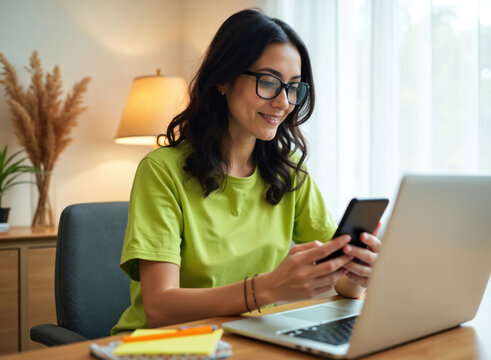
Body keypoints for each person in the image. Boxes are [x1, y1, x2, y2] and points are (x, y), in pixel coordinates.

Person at [112, 9, 381, 335]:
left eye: (293, 87)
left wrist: (361, 272)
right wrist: (268, 289)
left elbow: (342, 283)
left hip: (252, 339)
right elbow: (159, 309)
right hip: (168, 346)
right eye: (268, 82)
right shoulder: (161, 171)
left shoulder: (289, 173)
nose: (283, 101)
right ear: (223, 80)